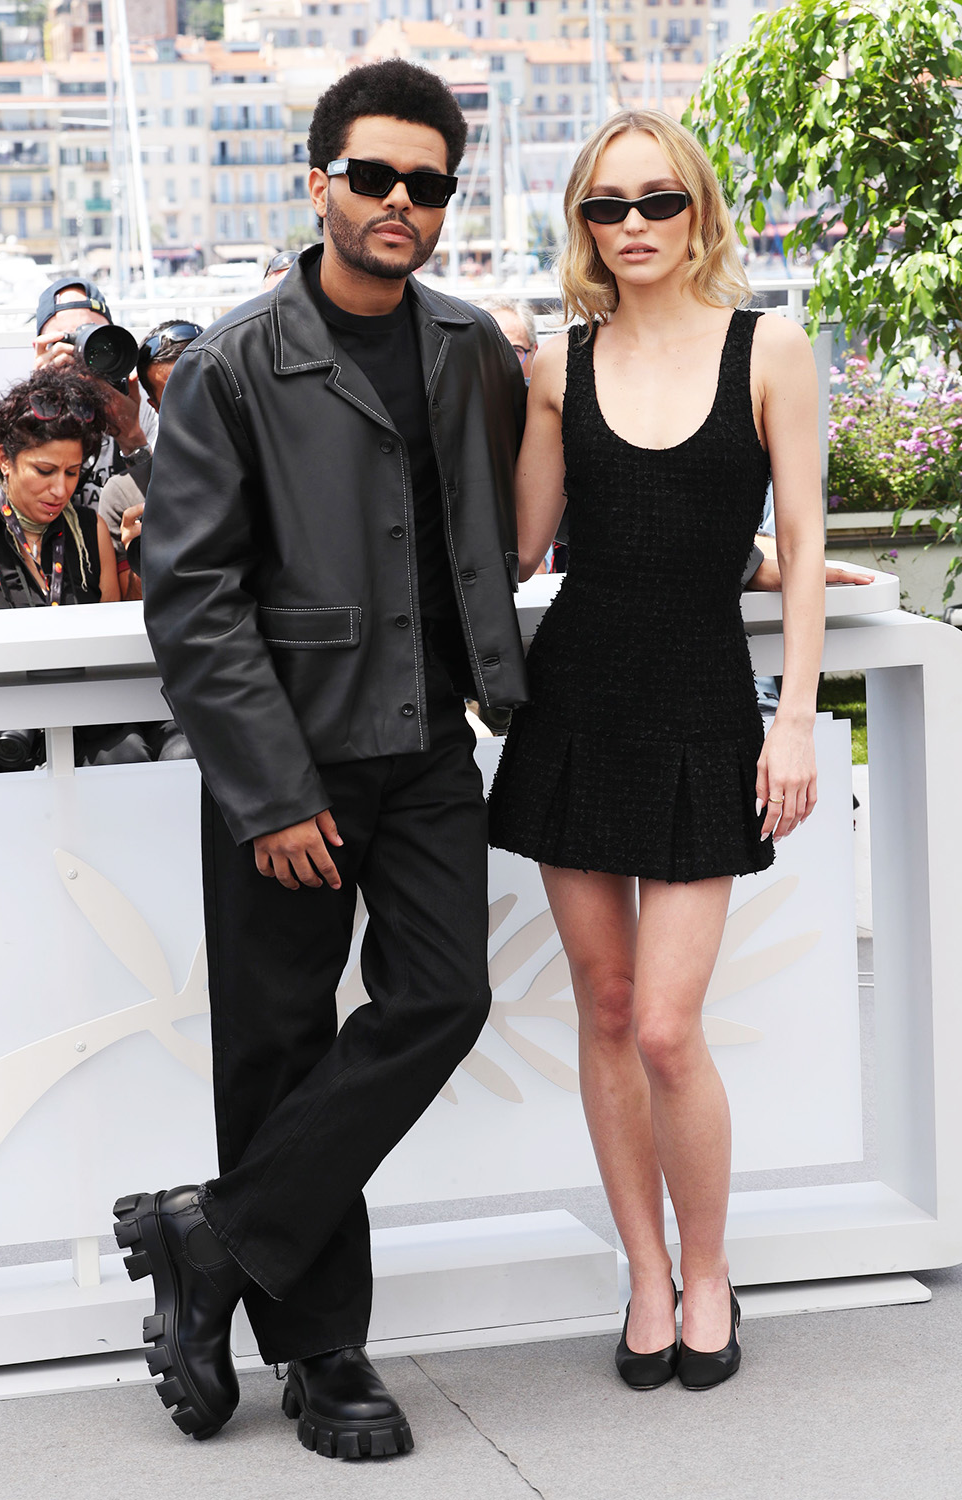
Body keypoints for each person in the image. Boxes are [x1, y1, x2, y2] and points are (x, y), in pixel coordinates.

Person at [113, 59, 528, 1457]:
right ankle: (325, 1354)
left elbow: (496, 525)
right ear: (320, 183)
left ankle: (215, 1237)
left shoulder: (471, 348)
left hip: (426, 749)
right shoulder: (235, 361)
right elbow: (193, 595)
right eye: (374, 176)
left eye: (427, 183)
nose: (399, 202)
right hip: (288, 755)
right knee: (279, 1050)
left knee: (443, 999)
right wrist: (273, 788)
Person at [487, 109, 826, 1391]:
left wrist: (793, 713)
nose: (632, 227)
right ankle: (642, 1274)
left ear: (699, 210)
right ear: (580, 225)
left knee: (671, 1027)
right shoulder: (558, 368)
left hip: (702, 707)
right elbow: (520, 552)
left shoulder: (771, 347)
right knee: (609, 1008)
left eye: (656, 202)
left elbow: (794, 536)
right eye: (604, 208)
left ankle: (714, 1271)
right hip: (575, 700)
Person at [0, 365, 155, 771]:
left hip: (85, 720)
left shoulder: (90, 528)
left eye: (72, 472)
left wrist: (147, 561)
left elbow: (116, 650)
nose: (60, 490)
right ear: (4, 459)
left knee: (130, 756)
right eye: (44, 471)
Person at [97, 319, 204, 599]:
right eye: (174, 395)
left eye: (201, 385)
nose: (193, 403)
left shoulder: (268, 463)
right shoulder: (125, 495)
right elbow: (128, 615)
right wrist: (144, 560)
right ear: (155, 407)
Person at [33, 277, 158, 510]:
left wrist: (132, 437)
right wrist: (39, 399)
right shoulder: (23, 414)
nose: (84, 349)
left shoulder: (142, 408)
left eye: (94, 335)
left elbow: (169, 506)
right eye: (68, 338)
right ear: (43, 347)